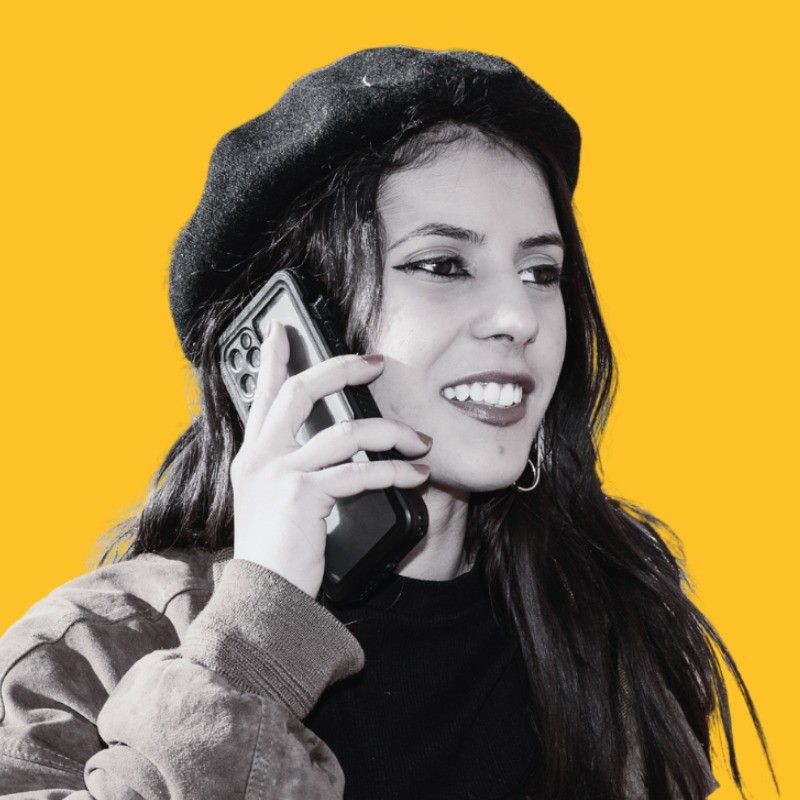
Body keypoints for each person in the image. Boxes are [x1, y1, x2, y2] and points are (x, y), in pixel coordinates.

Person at [0, 47, 770, 799]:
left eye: (541, 272)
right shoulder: (86, 652)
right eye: (443, 265)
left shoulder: (615, 636)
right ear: (292, 336)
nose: (519, 316)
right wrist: (255, 650)